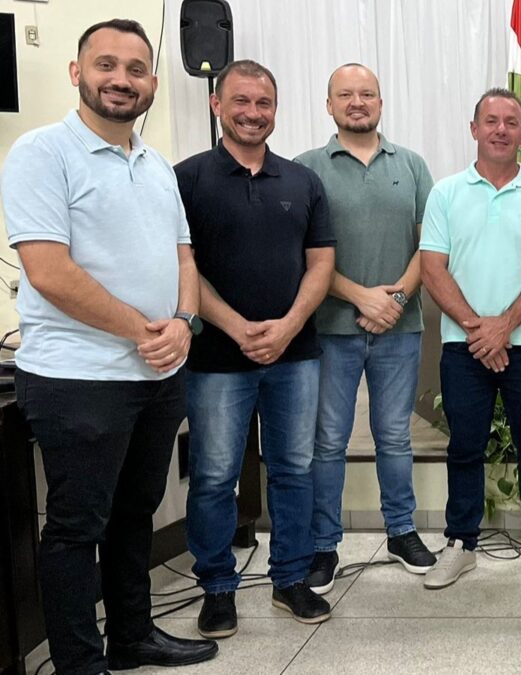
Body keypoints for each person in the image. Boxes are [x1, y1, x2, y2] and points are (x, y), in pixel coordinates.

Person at [0, 19, 217, 674]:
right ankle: (79, 662)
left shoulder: (153, 164)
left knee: (135, 515)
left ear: (152, 81)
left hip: (157, 373)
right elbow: (48, 269)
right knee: (75, 529)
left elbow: (184, 256)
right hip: (79, 380)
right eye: (106, 65)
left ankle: (131, 635)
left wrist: (182, 320)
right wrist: (142, 330)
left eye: (135, 68)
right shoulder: (41, 153)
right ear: (77, 73)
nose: (121, 79)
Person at [176, 59, 337, 637]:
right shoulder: (186, 178)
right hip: (217, 359)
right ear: (218, 105)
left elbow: (321, 264)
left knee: (294, 469)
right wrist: (236, 326)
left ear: (276, 110)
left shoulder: (302, 181)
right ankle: (217, 588)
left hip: (295, 355)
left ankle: (290, 579)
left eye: (263, 104)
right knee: (216, 476)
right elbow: (182, 265)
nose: (252, 113)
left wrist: (290, 324)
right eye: (241, 101)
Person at [419, 87, 521, 589]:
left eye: (511, 121)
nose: (501, 129)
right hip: (464, 348)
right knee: (464, 446)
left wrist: (503, 326)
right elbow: (432, 268)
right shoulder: (446, 192)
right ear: (474, 128)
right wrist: (478, 328)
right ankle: (460, 544)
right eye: (491, 120)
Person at [294, 63, 437, 594]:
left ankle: (401, 532)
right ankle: (323, 545)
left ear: (381, 102)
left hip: (400, 329)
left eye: (368, 94)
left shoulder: (413, 166)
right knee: (327, 441)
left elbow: (430, 246)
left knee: (394, 437)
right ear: (328, 104)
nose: (358, 102)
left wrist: (396, 297)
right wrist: (361, 296)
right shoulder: (305, 169)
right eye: (346, 94)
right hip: (330, 328)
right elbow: (302, 254)